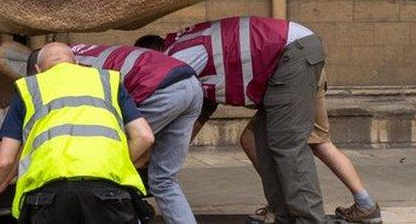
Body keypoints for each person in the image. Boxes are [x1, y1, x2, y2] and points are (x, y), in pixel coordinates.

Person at [137, 16, 329, 224]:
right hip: (285, 54)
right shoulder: (184, 53)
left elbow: (164, 114)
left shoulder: (176, 59)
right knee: (261, 144)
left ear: (151, 55)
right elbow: (196, 112)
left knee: (287, 146)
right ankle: (284, 217)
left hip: (290, 52)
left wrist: (145, 149)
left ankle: (310, 220)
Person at [0, 43, 154, 223]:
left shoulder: (30, 87)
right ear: (76, 63)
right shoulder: (108, 81)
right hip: (109, 193)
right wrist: (112, 163)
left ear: (38, 70)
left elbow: (3, 160)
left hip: (49, 198)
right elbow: (144, 136)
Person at [70, 43, 202, 224]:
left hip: (158, 88)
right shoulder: (80, 51)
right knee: (163, 179)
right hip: (190, 83)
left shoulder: (68, 68)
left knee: (106, 161)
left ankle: (134, 212)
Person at [235, 68, 381, 224]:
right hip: (309, 72)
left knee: (252, 139)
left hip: (291, 80)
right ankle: (366, 203)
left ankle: (279, 207)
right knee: (321, 142)